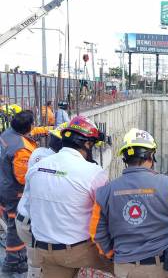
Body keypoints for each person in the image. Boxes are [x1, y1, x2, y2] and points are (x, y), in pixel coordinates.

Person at [90, 128, 168, 278]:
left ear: (125, 158)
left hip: (124, 268)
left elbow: (96, 232)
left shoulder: (105, 191)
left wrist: (111, 253)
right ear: (151, 156)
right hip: (160, 268)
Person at [24, 116, 112, 277]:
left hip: (43, 249)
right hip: (77, 250)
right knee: (124, 264)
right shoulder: (93, 173)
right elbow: (108, 213)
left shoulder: (37, 168)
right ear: (87, 144)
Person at [0, 110, 51, 274]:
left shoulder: (8, 134)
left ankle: (15, 257)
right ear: (27, 127)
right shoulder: (21, 149)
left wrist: (47, 129)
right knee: (15, 228)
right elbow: (23, 178)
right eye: (33, 124)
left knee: (10, 221)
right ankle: (13, 262)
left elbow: (28, 133)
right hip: (14, 193)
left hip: (3, 183)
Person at [16, 122, 68, 278]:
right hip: (34, 223)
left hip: (23, 217)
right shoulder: (57, 162)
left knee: (37, 260)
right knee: (37, 265)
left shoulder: (38, 152)